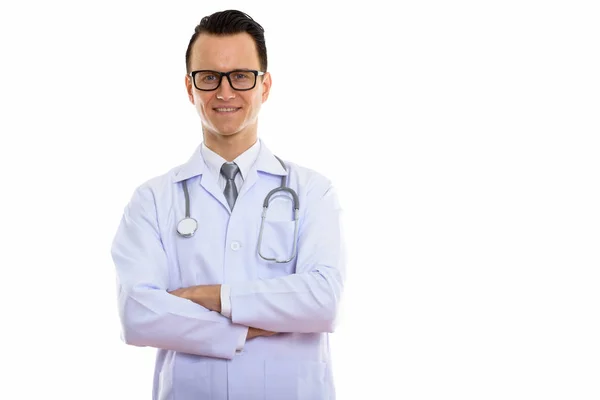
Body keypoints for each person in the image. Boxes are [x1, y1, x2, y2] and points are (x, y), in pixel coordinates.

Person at [111, 9, 346, 400]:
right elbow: (138, 315)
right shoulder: (152, 199)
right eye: (209, 78)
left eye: (240, 76)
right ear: (190, 88)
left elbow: (322, 302)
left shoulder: (313, 191)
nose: (224, 92)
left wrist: (208, 296)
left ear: (265, 85)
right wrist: (251, 324)